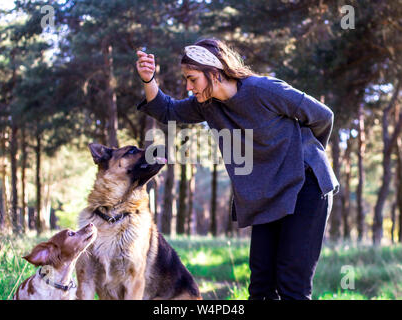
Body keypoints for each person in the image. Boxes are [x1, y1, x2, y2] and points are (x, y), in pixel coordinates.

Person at [135, 38, 339, 300]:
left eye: (192, 79)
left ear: (214, 73)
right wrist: (148, 79)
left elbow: (323, 116)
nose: (188, 86)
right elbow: (168, 111)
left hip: (306, 187)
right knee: (261, 286)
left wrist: (306, 155)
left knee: (292, 283)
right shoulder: (208, 105)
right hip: (268, 194)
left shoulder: (263, 89)